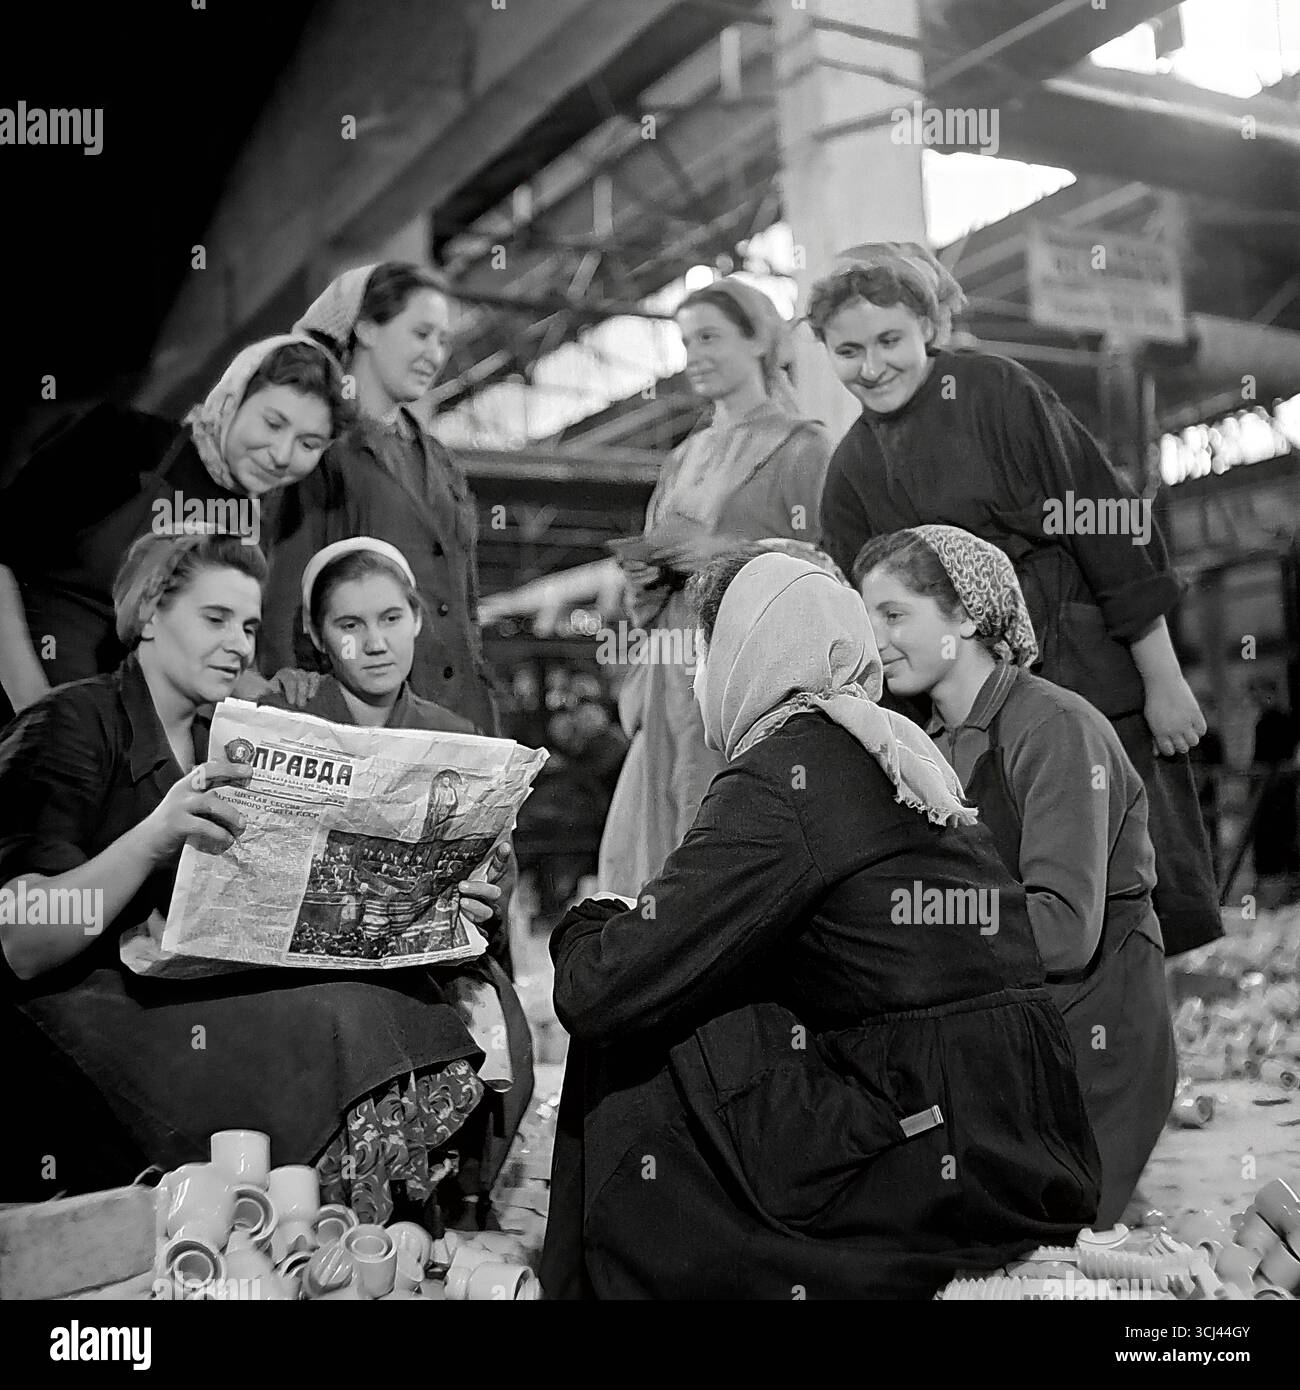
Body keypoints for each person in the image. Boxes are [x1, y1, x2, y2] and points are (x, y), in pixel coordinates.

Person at [541, 550, 1101, 1300]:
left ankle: (619, 1277)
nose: (699, 678)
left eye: (706, 654)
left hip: (940, 1153)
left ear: (744, 653)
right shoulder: (892, 746)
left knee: (639, 1014)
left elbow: (600, 987)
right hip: (1025, 1134)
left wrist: (586, 922)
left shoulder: (782, 772)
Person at [0, 530, 502, 1225]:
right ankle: (318, 1222)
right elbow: (21, 943)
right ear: (148, 616)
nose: (238, 642)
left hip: (183, 986)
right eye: (215, 619)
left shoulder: (229, 741)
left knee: (402, 999)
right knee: (346, 1017)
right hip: (82, 1006)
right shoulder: (72, 723)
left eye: (248, 625)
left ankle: (347, 1231)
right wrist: (153, 837)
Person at [810, 243, 1220, 957]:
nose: (872, 367)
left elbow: (1104, 521)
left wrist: (1163, 675)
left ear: (927, 327)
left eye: (889, 341)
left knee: (1132, 886)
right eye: (848, 351)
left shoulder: (998, 391)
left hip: (1083, 666)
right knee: (1019, 894)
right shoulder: (848, 470)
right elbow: (865, 620)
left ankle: (1142, 1041)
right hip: (966, 712)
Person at [856, 525, 1177, 1227]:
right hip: (1011, 1027)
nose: (875, 638)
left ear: (968, 614)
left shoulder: (1054, 727)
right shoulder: (925, 746)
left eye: (895, 614)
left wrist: (911, 920)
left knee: (1055, 1247)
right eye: (865, 616)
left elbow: (1063, 930)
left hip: (1093, 1026)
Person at [258, 536, 534, 1194]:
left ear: (415, 619)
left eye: (390, 619)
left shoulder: (458, 736)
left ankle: (425, 1208)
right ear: (319, 638)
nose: (374, 643)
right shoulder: (287, 721)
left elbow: (500, 877)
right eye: (348, 625)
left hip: (430, 969)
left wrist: (487, 895)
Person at [597, 277, 833, 895]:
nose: (693, 355)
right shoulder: (682, 458)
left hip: (747, 682)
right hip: (671, 677)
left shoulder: (803, 447)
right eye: (684, 341)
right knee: (660, 839)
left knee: (726, 830)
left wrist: (723, 556)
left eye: (709, 337)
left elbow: (829, 576)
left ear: (758, 339)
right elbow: (643, 601)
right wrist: (646, 579)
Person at [0, 336, 349, 714]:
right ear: (232, 399)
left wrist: (270, 694)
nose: (282, 455)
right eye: (272, 423)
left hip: (117, 744)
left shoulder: (253, 527)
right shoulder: (121, 440)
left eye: (308, 444)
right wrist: (31, 703)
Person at [252, 262, 496, 734]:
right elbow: (285, 585)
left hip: (462, 716)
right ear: (365, 328)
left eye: (443, 340)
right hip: (364, 722)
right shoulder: (323, 449)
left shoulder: (439, 459)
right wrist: (281, 687)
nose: (435, 353)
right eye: (421, 333)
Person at [1248, 677, 1300, 902]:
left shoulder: (1274, 721)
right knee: (1274, 835)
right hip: (1275, 789)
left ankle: (1277, 888)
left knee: (1274, 835)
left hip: (1274, 790)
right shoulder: (1272, 720)